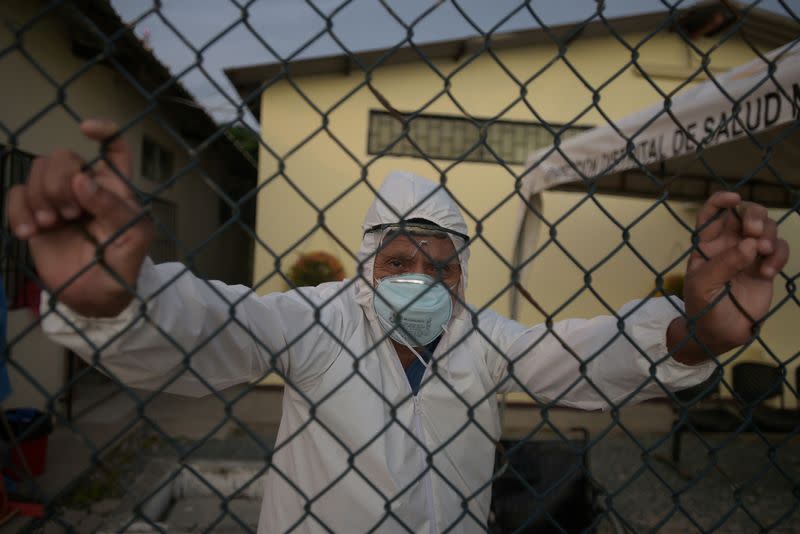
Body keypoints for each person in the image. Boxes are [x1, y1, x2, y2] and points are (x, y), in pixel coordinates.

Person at [5, 120, 790, 533]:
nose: (421, 280)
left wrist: (699, 331)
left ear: (463, 273)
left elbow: (582, 357)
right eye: (399, 262)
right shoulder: (318, 321)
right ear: (365, 265)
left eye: (441, 265)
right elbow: (219, 326)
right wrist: (117, 300)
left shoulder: (480, 339)